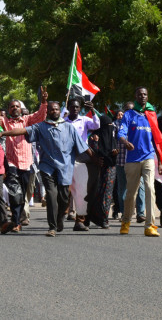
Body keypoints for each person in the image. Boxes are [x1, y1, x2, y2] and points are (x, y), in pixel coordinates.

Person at [0, 101, 93, 237]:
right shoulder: (40, 127)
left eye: (57, 110)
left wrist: (95, 159)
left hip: (65, 169)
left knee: (64, 198)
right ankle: (52, 227)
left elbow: (83, 146)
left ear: (60, 111)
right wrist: (4, 133)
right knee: (51, 196)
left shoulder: (69, 128)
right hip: (47, 167)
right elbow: (23, 130)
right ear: (47, 112)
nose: (54, 112)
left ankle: (60, 217)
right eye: (52, 110)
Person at [0, 87, 48, 231]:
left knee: (22, 195)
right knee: (15, 194)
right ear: (8, 110)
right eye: (12, 107)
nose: (15, 108)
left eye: (17, 106)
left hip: (27, 163)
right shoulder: (4, 122)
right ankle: (15, 223)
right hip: (11, 163)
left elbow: (41, 116)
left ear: (21, 109)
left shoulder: (27, 120)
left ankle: (18, 221)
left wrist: (44, 101)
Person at [117, 87, 162, 237]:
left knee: (150, 188)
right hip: (132, 159)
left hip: (148, 157)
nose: (142, 96)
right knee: (131, 194)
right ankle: (126, 221)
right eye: (139, 94)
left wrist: (160, 161)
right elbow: (121, 132)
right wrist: (125, 141)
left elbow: (157, 140)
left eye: (145, 94)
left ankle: (150, 226)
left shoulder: (152, 115)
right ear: (135, 96)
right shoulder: (129, 115)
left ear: (147, 97)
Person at [63, 98, 100, 231]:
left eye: (77, 107)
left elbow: (96, 125)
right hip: (66, 157)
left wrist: (92, 110)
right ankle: (58, 217)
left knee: (80, 190)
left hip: (81, 157)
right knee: (64, 189)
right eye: (72, 107)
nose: (75, 109)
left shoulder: (84, 120)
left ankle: (79, 221)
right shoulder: (63, 121)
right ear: (68, 108)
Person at [114, 103, 146, 223]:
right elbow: (113, 139)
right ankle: (124, 213)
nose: (128, 112)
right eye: (126, 110)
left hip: (137, 160)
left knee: (141, 187)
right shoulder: (116, 124)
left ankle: (141, 213)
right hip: (122, 161)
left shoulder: (139, 123)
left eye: (131, 110)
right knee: (123, 189)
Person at [87, 114, 119, 228]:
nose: (109, 128)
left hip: (110, 168)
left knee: (107, 194)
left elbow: (114, 154)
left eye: (111, 126)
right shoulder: (94, 137)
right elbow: (92, 152)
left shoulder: (113, 139)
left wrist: (115, 154)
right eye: (107, 126)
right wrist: (95, 144)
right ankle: (90, 216)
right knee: (95, 194)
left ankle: (103, 219)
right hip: (96, 169)